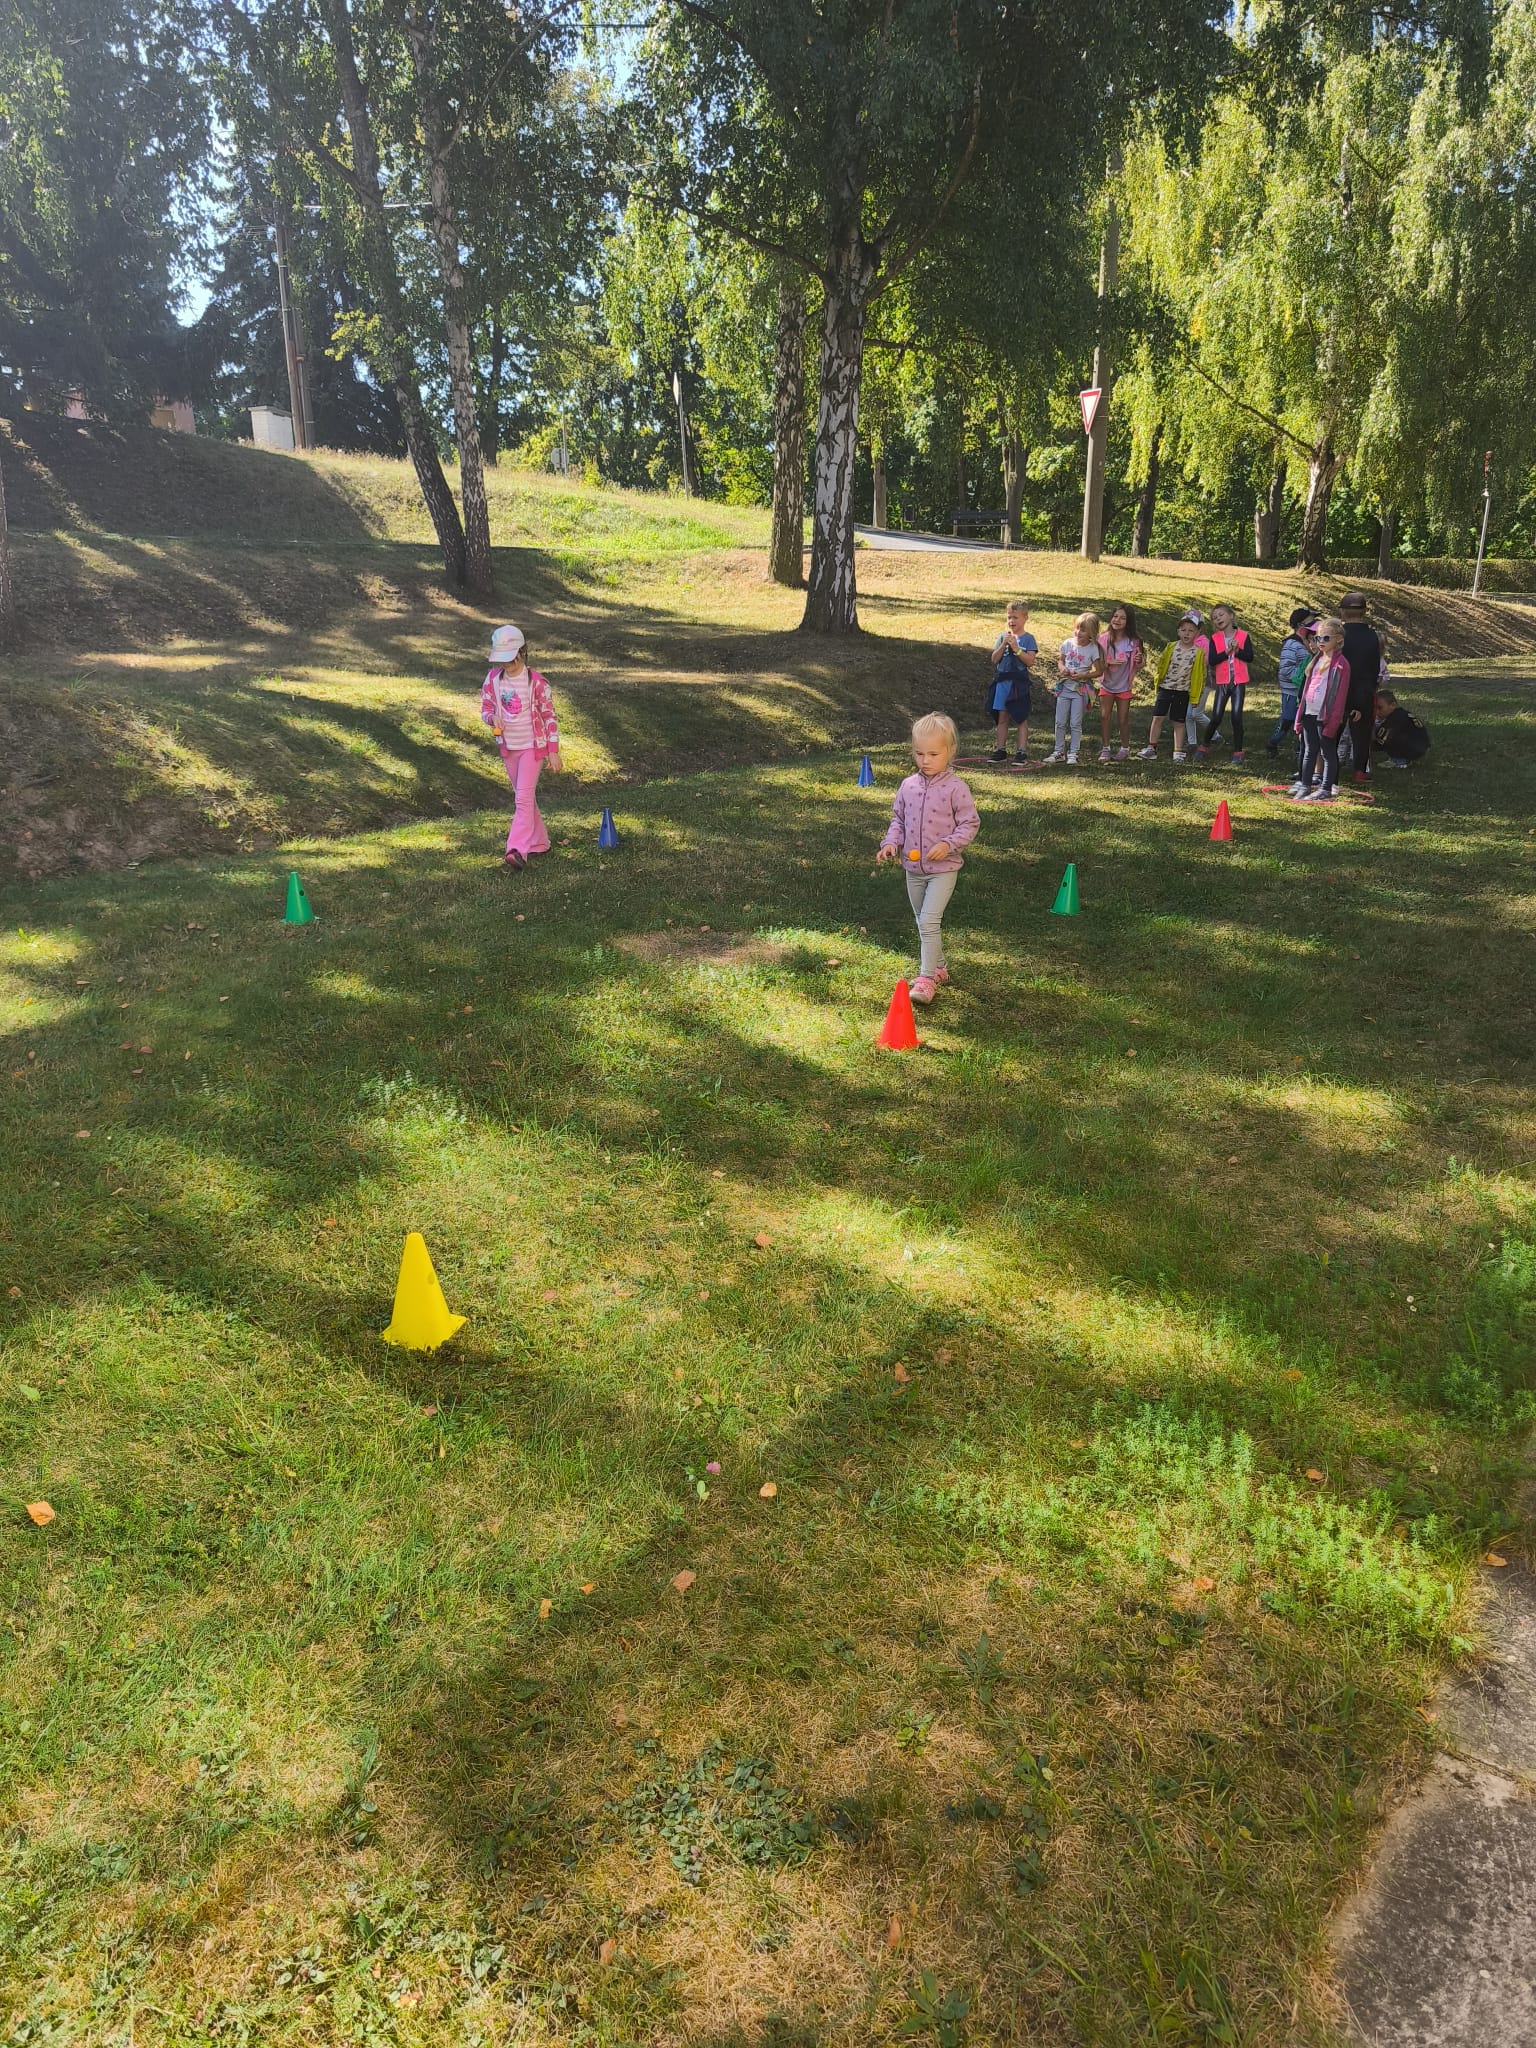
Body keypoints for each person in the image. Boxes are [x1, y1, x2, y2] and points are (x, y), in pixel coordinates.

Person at [877, 713, 979, 1006]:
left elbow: (970, 823)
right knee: (923, 921)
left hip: (943, 870)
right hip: (913, 869)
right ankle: (940, 966)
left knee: (929, 920)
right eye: (919, 753)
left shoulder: (956, 788)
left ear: (951, 751)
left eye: (933, 754)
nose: (925, 760)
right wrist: (890, 843)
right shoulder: (908, 785)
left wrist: (948, 844)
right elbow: (898, 820)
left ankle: (926, 979)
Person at [479, 623, 563, 869]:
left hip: (531, 749)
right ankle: (540, 843)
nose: (506, 664)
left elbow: (549, 717)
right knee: (524, 797)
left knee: (523, 799)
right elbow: (485, 708)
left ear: (522, 652)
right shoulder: (493, 680)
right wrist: (492, 718)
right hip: (509, 748)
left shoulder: (536, 682)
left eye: (511, 659)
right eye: (502, 660)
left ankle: (516, 849)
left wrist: (553, 751)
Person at [1291, 616, 1349, 802]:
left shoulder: (1341, 665)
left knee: (1327, 752)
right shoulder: (1315, 661)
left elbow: (1340, 697)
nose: (1320, 641)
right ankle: (1305, 785)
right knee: (1309, 750)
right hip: (1309, 712)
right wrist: (1300, 715)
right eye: (1318, 638)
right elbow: (1306, 690)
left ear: (1338, 639)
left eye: (1326, 638)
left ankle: (1325, 788)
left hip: (1326, 716)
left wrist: (1333, 722)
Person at [1138, 613, 1208, 762]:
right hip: (1166, 688)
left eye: (1191, 631)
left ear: (1197, 633)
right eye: (1183, 630)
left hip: (1183, 692)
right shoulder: (1171, 647)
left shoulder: (1198, 653)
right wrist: (1158, 682)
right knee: (1157, 718)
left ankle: (1178, 752)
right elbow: (1162, 665)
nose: (1186, 634)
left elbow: (1200, 676)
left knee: (1179, 722)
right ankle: (1151, 748)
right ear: (1178, 631)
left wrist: (1195, 696)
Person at [1197, 603, 1255, 763]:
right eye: (1214, 618)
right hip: (1222, 682)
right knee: (1216, 717)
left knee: (1236, 717)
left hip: (1238, 682)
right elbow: (1213, 660)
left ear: (1231, 616)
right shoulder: (1215, 639)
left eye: (1221, 615)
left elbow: (1249, 657)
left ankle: (1238, 751)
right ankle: (1204, 745)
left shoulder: (1243, 636)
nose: (1218, 619)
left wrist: (1238, 651)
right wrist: (1227, 651)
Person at [1046, 612, 1105, 765]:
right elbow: (1061, 661)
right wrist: (1062, 669)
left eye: (1083, 630)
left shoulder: (1093, 649)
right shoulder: (1067, 643)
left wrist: (1084, 675)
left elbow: (1099, 671)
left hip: (1080, 690)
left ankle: (1073, 753)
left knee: (1075, 723)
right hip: (1065, 688)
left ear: (1091, 633)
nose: (1078, 632)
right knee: (1060, 721)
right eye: (1077, 628)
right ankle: (1059, 752)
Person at [1339, 592, 1384, 786]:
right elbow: (1375, 666)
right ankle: (1359, 770)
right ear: (1365, 612)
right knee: (1362, 733)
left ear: (1342, 612)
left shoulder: (1338, 635)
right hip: (1364, 690)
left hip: (1339, 689)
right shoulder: (1373, 636)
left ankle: (1327, 767)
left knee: (1333, 730)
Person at [988, 603, 1037, 761]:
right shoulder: (1003, 637)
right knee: (1002, 716)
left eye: (1015, 617)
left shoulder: (1028, 639)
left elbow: (1030, 661)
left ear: (1025, 618)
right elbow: (994, 659)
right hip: (1002, 681)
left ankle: (1021, 751)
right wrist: (1004, 644)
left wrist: (1017, 649)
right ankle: (1000, 749)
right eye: (1009, 617)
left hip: (1019, 683)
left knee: (1020, 717)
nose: (1011, 621)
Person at [1096, 604, 1145, 762]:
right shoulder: (1103, 639)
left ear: (1128, 622)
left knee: (1123, 718)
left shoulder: (1134, 642)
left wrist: (1139, 660)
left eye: (1122, 618)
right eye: (1115, 616)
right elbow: (1097, 662)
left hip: (1124, 686)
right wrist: (1108, 663)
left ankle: (1125, 748)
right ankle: (1105, 748)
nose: (1117, 620)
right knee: (1105, 716)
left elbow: (1140, 663)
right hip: (1107, 684)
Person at [1267, 608, 1317, 759]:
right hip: (1291, 691)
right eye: (1311, 621)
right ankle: (1272, 743)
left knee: (1305, 720)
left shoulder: (1312, 642)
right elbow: (1285, 669)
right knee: (1288, 719)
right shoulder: (1291, 644)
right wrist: (1303, 676)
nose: (1315, 624)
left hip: (1306, 692)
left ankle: (1301, 748)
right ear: (1301, 625)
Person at [1373, 688, 1431, 765]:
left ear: (1393, 705)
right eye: (1374, 708)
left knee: (1391, 737)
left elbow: (1381, 741)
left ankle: (1399, 760)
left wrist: (1367, 746)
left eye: (1380, 708)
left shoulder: (1394, 720)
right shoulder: (1403, 714)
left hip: (1414, 749)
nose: (1376, 712)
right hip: (1422, 746)